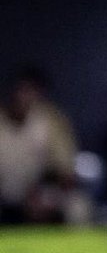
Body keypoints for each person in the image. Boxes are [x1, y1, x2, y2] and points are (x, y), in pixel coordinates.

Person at [0, 66, 92, 225]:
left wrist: (41, 193)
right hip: (4, 193)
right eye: (20, 90)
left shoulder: (51, 121)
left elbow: (65, 173)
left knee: (78, 206)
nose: (23, 97)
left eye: (31, 91)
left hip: (37, 192)